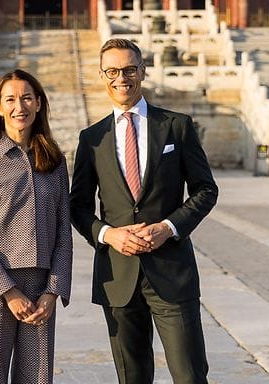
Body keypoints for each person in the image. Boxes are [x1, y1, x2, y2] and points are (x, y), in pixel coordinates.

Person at [71, 38, 218, 384]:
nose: (121, 78)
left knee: (190, 375)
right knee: (132, 378)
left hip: (172, 271)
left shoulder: (176, 126)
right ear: (102, 76)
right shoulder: (91, 138)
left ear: (143, 71)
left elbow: (205, 189)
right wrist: (109, 235)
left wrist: (168, 227)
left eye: (129, 69)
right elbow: (78, 205)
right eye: (112, 71)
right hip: (117, 276)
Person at [0, 69, 72, 384]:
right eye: (10, 99)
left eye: (27, 98)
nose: (19, 107)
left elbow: (64, 236)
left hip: (41, 289)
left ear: (39, 103)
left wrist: (53, 291)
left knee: (37, 379)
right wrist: (8, 292)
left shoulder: (54, 162)